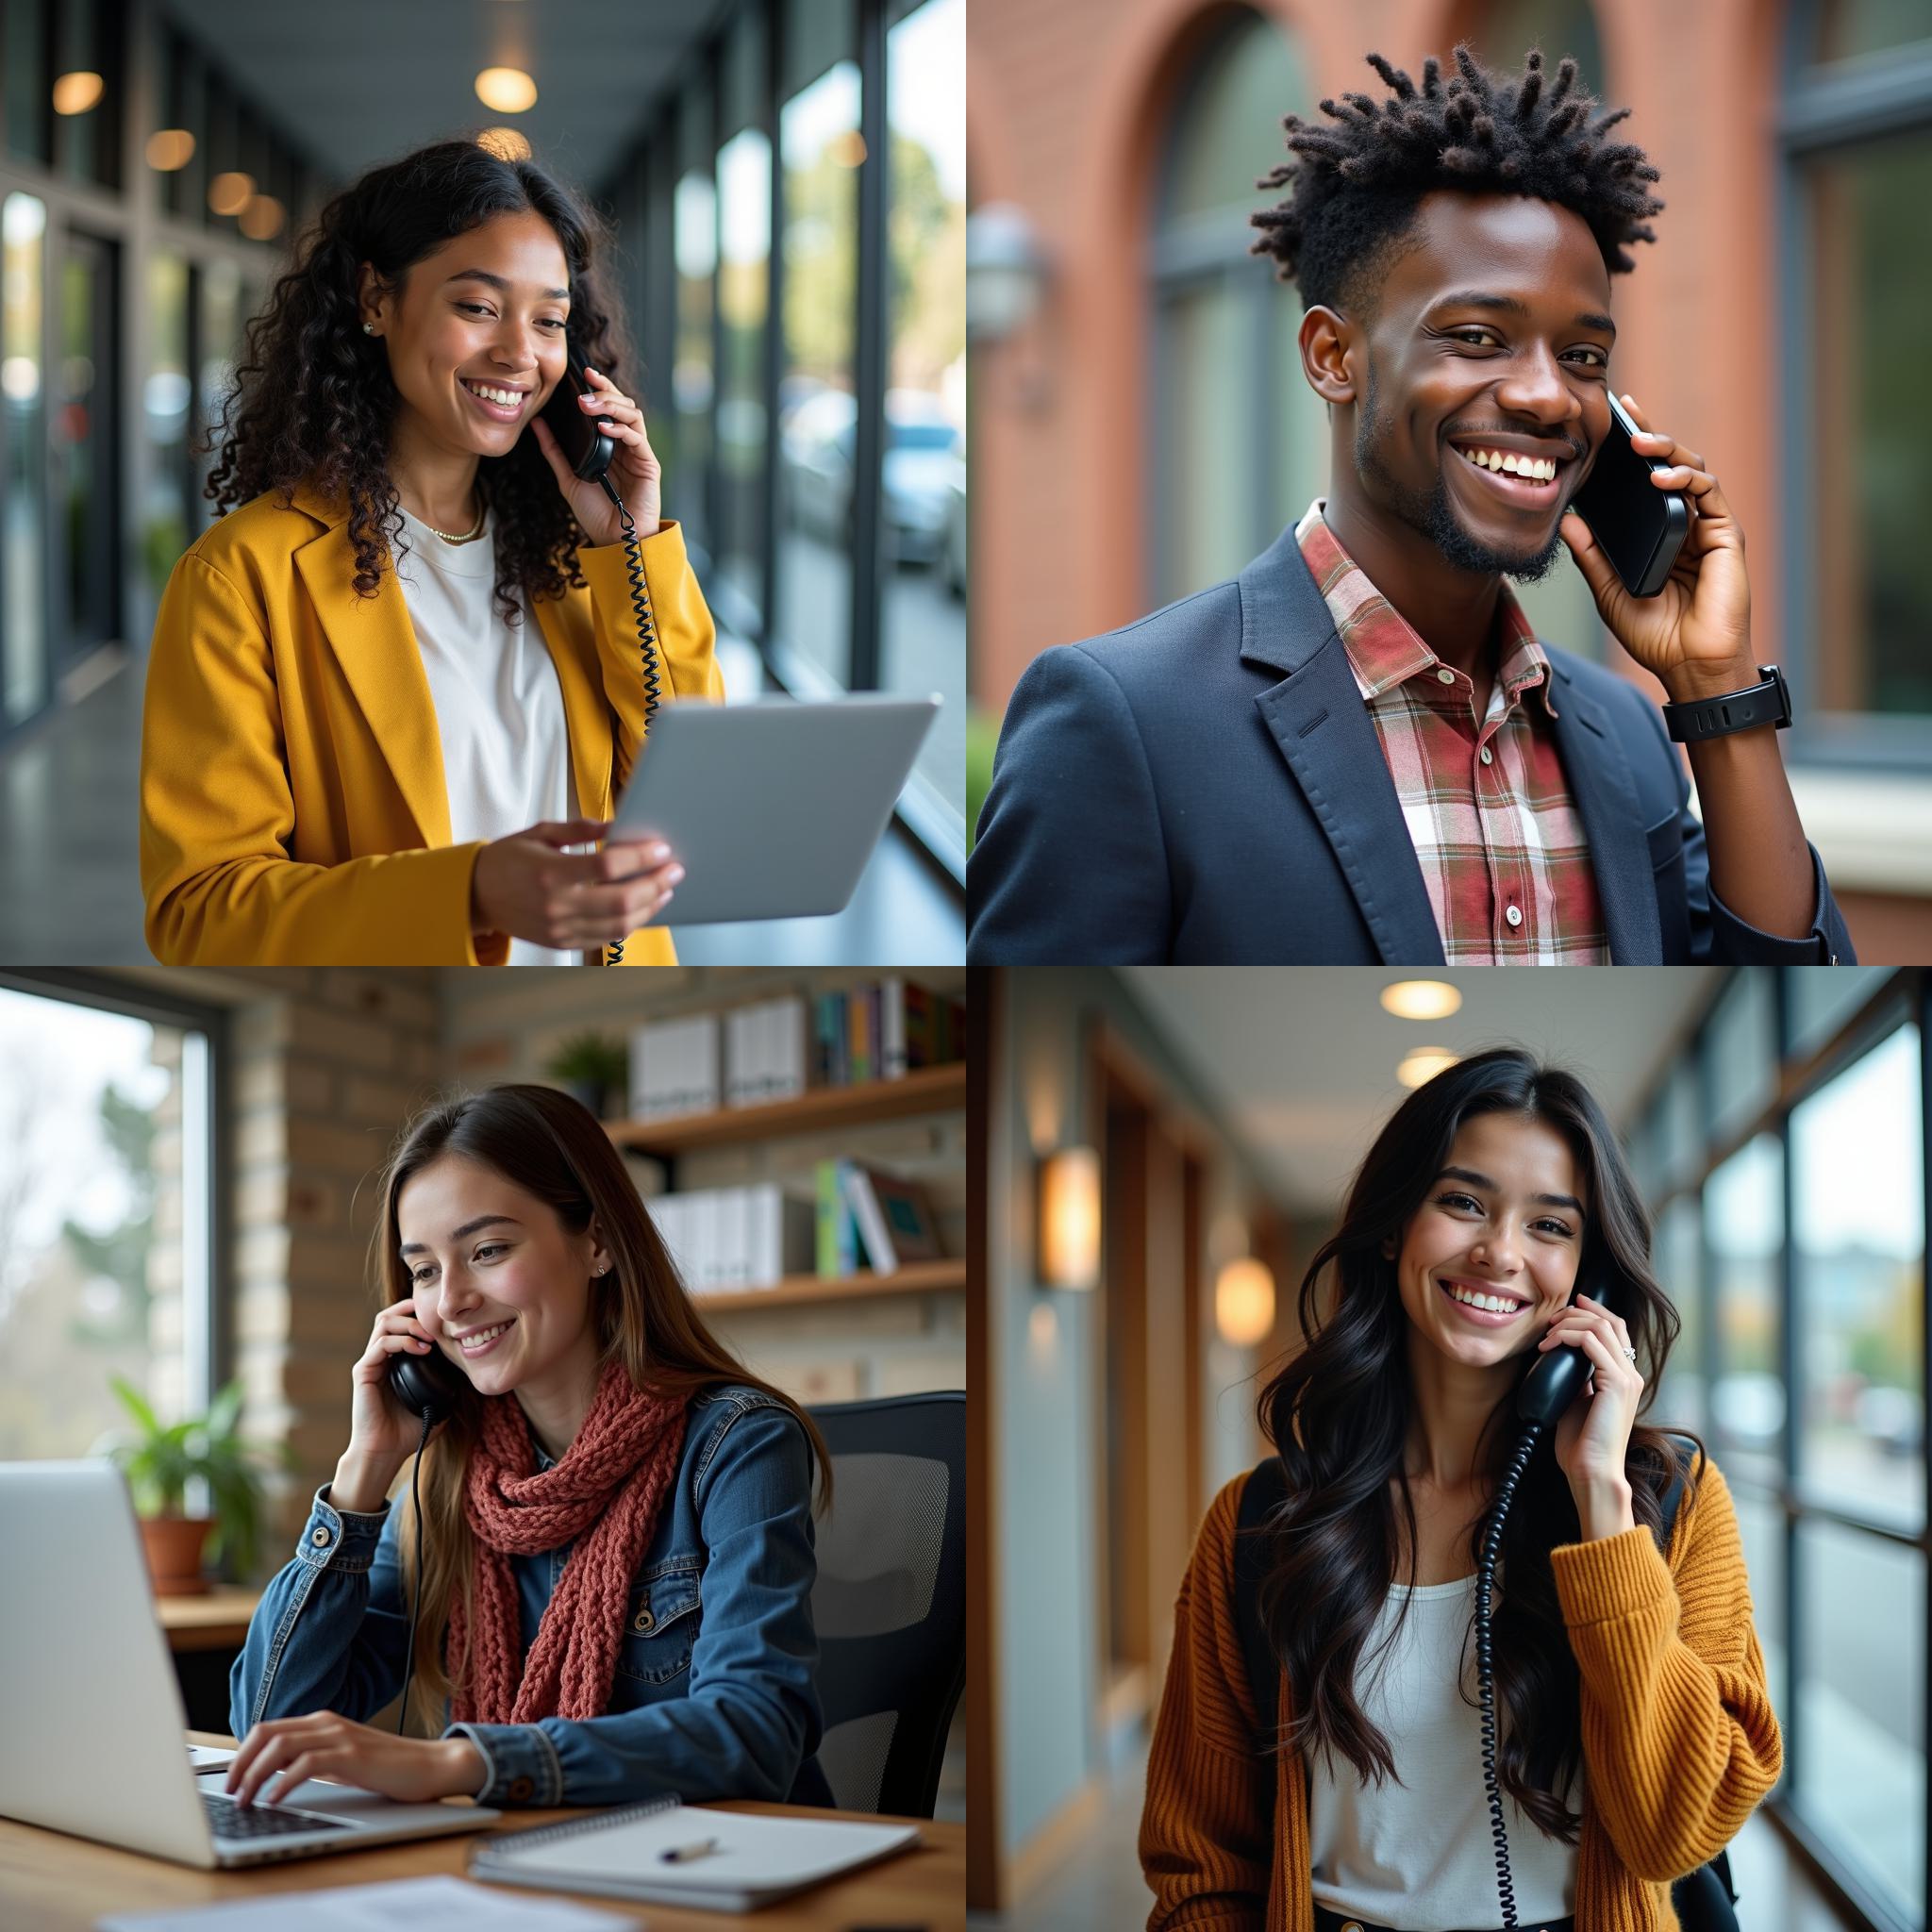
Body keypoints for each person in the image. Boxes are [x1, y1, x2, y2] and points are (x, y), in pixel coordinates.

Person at [969, 44, 1855, 968]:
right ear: (1331, 357)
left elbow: (1781, 981)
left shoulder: (1624, 733)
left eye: (1583, 357)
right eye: (1478, 337)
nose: (1550, 397)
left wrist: (1716, 695)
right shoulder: (1123, 723)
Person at [1140, 1047, 1781, 1931]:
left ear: (1590, 1279)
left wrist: (1601, 1500)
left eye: (1551, 1227)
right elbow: (1201, 1866)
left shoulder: (1673, 1506)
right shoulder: (1261, 1521)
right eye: (1464, 1202)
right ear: (1396, 1226)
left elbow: (1678, 1829)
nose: (1499, 1252)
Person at [142, 138, 723, 966]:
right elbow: (200, 913)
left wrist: (630, 546)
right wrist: (471, 891)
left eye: (550, 320)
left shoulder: (579, 557)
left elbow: (692, 805)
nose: (521, 354)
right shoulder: (242, 578)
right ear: (377, 299)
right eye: (479, 307)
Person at [224, 1084, 835, 1810]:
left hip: (721, 1869)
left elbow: (756, 1733)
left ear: (598, 1242)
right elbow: (270, 1725)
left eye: (487, 1250)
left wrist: (463, 1765)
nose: (450, 1301)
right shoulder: (446, 1480)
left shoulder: (737, 1443)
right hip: (521, 1870)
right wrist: (364, 1470)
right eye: (423, 1270)